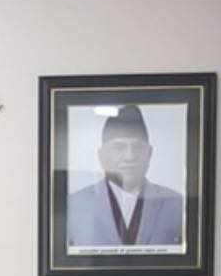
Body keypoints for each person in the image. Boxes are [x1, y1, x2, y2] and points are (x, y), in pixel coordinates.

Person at [64, 105, 184, 248]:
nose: (130, 156)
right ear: (102, 156)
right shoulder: (74, 205)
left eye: (137, 147)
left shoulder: (176, 204)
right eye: (119, 147)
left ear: (149, 154)